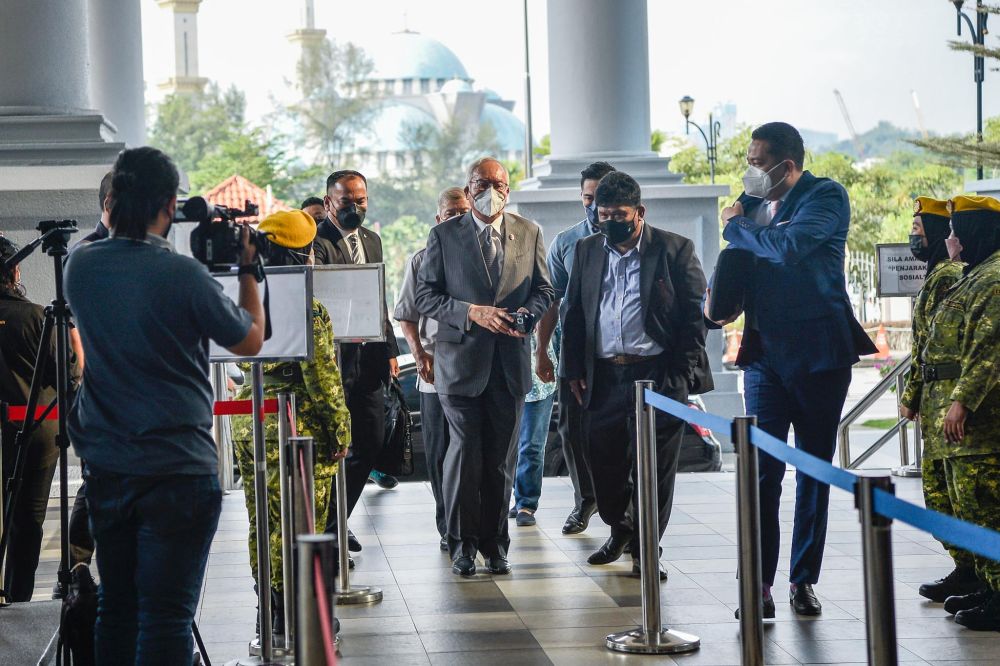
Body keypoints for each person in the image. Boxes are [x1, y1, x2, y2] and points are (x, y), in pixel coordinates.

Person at [64, 146, 265, 663]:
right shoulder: (183, 275)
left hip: (109, 468)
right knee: (166, 617)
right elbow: (249, 341)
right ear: (169, 204)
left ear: (113, 199)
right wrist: (247, 271)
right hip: (178, 468)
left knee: (119, 609)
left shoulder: (80, 266)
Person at [706, 122, 876, 617]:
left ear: (787, 164)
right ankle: (758, 584)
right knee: (761, 473)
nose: (751, 170)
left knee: (813, 470)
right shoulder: (751, 204)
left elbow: (788, 248)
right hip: (763, 357)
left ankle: (803, 579)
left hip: (820, 354)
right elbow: (736, 268)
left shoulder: (825, 197)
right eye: (750, 160)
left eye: (758, 162)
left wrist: (738, 227)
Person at [563, 171, 712, 580]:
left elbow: (693, 319)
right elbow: (573, 313)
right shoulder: (586, 250)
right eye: (602, 213)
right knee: (603, 466)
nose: (608, 221)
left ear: (639, 212)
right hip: (604, 376)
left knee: (655, 468)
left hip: (657, 375)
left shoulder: (673, 249)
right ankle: (621, 526)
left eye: (618, 214)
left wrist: (679, 376)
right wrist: (573, 368)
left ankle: (647, 548)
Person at [415, 157, 553, 576]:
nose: (489, 190)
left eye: (498, 183)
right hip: (459, 366)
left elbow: (545, 289)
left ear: (508, 190)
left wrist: (529, 315)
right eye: (480, 183)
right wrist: (470, 311)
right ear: (468, 186)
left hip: (510, 364)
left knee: (499, 460)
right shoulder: (443, 235)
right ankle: (461, 543)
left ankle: (496, 545)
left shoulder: (529, 232)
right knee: (464, 454)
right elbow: (425, 297)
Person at [230, 209, 351, 638]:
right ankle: (297, 619)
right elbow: (322, 379)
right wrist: (340, 431)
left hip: (248, 422)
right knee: (301, 526)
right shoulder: (307, 307)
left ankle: (269, 617)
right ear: (304, 256)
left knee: (261, 523)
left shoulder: (242, 296)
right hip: (295, 429)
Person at [920, 195, 1000, 631]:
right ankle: (988, 586)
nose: (951, 239)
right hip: (955, 415)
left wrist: (963, 400)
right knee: (967, 507)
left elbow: (988, 349)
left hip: (981, 421)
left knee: (985, 508)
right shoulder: (977, 276)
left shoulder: (994, 279)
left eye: (957, 229)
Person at [313, 170, 401, 553]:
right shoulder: (315, 240)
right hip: (331, 360)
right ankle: (329, 527)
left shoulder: (372, 240)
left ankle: (336, 519)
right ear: (329, 201)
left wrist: (391, 349)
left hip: (369, 359)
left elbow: (378, 295)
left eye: (360, 200)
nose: (355, 207)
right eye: (346, 200)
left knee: (370, 440)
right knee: (331, 447)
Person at [899, 197, 978, 604]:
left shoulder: (949, 275)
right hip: (934, 400)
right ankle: (968, 570)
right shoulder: (937, 273)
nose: (913, 239)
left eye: (918, 232)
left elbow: (937, 345)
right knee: (942, 493)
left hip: (949, 401)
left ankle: (977, 574)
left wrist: (913, 393)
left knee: (962, 495)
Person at [536, 161, 616, 535]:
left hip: (619, 355)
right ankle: (585, 499)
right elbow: (551, 300)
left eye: (599, 197)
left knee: (619, 435)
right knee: (572, 430)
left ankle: (627, 513)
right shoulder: (567, 242)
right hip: (575, 352)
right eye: (587, 198)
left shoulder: (634, 237)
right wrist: (543, 351)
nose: (593, 205)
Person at [0, 236, 81, 601]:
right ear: (14, 271)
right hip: (36, 431)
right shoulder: (37, 316)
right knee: (28, 520)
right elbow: (69, 374)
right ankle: (18, 598)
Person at [393, 186, 470, 550]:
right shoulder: (422, 260)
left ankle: (475, 525)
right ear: (439, 219)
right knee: (440, 452)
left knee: (474, 451)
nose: (457, 218)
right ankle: (447, 524)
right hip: (436, 367)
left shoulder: (485, 256)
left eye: (463, 212)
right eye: (451, 212)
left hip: (475, 366)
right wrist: (419, 355)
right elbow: (407, 314)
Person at [509, 333, 557, 527]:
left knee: (531, 444)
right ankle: (513, 497)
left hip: (538, 379)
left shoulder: (541, 303)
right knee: (506, 447)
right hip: (505, 375)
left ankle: (526, 504)